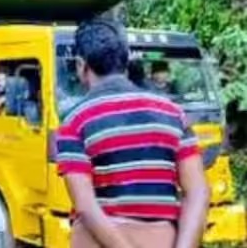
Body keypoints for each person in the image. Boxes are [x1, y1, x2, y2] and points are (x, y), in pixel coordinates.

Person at [55, 20, 209, 248]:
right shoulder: (173, 114)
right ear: (126, 64)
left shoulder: (75, 120)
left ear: (81, 66)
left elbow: (86, 207)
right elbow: (198, 191)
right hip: (163, 239)